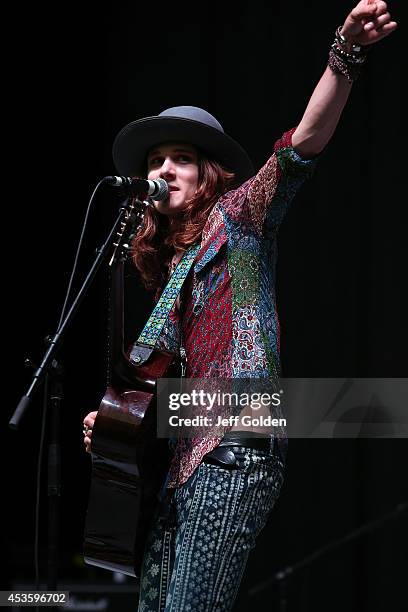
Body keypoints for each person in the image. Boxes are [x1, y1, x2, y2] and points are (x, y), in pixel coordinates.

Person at [83, 2, 397, 610]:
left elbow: (301, 147)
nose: (163, 169)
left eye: (178, 159)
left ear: (209, 175)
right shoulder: (169, 277)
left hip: (238, 450)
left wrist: (346, 54)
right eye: (154, 160)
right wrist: (115, 424)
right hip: (181, 474)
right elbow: (148, 389)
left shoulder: (240, 221)